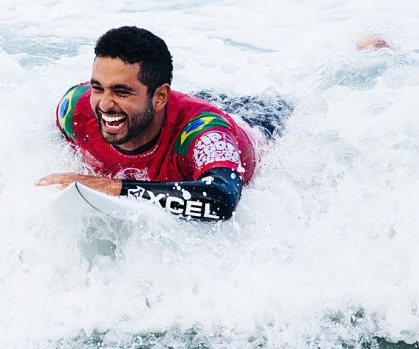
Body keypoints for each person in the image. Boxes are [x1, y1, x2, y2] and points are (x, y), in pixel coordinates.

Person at [36, 26, 283, 221]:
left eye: (121, 92)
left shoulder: (203, 133)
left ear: (160, 97)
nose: (104, 104)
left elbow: (223, 199)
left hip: (258, 124)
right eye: (98, 88)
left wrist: (116, 188)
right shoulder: (75, 109)